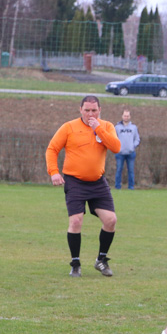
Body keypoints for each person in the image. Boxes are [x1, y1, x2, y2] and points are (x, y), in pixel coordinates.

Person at [45, 96, 121, 278]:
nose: (90, 114)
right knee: (76, 221)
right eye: (87, 110)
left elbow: (116, 147)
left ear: (99, 110)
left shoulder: (107, 126)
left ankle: (101, 261)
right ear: (80, 110)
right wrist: (54, 172)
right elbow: (52, 149)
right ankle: (75, 264)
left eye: (94, 110)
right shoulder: (69, 127)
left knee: (111, 220)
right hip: (75, 181)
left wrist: (98, 129)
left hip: (97, 182)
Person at [113, 109, 140, 190]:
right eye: (125, 115)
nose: (126, 117)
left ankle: (131, 187)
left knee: (131, 171)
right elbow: (114, 138)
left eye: (127, 116)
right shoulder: (117, 127)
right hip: (120, 153)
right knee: (118, 170)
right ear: (122, 116)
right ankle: (117, 187)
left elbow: (137, 139)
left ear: (130, 117)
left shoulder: (134, 127)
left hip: (130, 153)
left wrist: (133, 146)